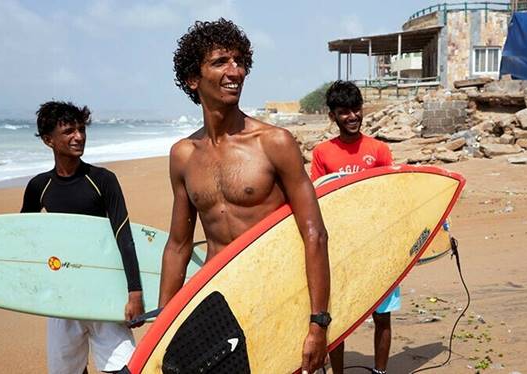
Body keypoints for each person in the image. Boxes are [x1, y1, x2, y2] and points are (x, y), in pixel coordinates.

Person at [158, 18, 331, 373]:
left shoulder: (274, 143)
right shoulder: (183, 156)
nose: (234, 71)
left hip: (278, 292)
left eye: (239, 62)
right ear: (193, 78)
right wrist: (163, 325)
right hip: (221, 298)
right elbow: (178, 246)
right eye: (220, 62)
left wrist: (318, 322)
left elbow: (314, 233)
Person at [20, 101, 144, 374]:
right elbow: (25, 240)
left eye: (81, 129)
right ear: (48, 140)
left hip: (104, 289)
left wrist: (134, 291)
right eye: (68, 131)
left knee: (122, 367)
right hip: (62, 294)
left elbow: (123, 234)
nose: (78, 136)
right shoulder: (39, 186)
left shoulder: (102, 180)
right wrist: (29, 292)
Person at [310, 81, 399, 374]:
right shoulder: (323, 153)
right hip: (341, 248)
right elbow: (319, 198)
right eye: (343, 111)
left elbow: (392, 195)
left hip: (379, 245)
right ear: (333, 116)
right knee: (336, 318)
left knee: (382, 315)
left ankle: (380, 371)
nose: (352, 116)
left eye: (356, 109)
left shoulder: (379, 150)